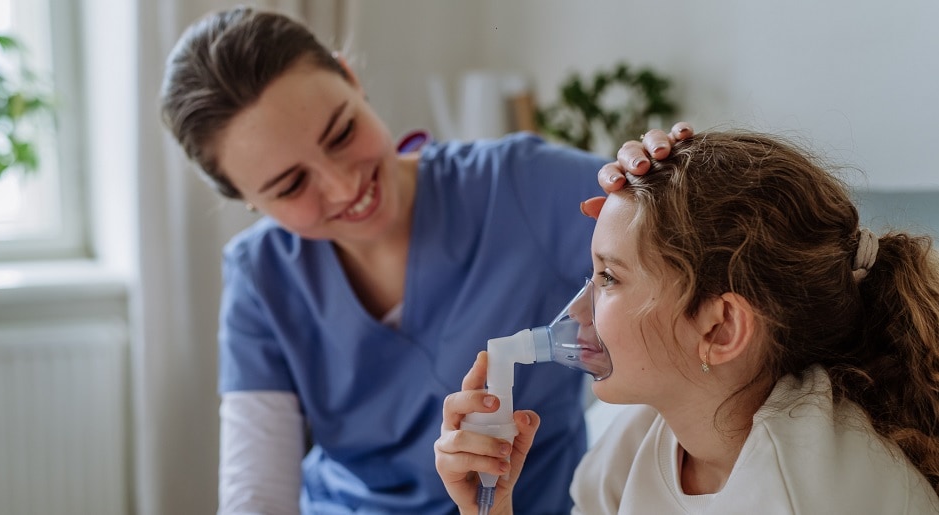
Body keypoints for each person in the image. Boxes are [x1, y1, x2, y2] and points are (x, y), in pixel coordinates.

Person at [159, 5, 691, 513]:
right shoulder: (261, 278)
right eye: (290, 184)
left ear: (350, 76)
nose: (344, 187)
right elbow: (258, 497)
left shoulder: (519, 188)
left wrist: (673, 182)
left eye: (342, 132)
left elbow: (705, 242)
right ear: (248, 198)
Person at [435, 130, 939, 514]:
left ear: (720, 330)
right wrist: (490, 507)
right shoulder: (634, 447)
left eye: (609, 278)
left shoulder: (810, 491)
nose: (579, 309)